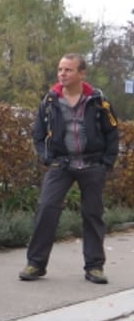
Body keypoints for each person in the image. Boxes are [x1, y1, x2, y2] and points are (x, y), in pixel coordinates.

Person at [19, 54, 119, 284]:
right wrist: (47, 158)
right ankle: (35, 264)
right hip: (61, 165)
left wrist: (107, 163)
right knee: (46, 209)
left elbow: (112, 132)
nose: (62, 74)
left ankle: (94, 267)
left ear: (82, 74)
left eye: (68, 70)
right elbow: (38, 134)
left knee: (92, 214)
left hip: (93, 164)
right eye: (60, 69)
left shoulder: (98, 100)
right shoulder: (50, 100)